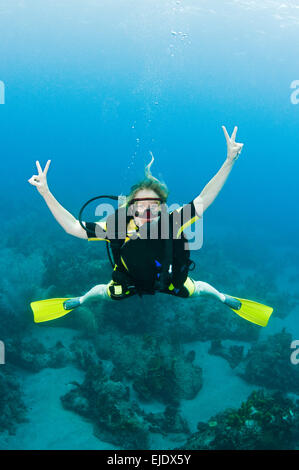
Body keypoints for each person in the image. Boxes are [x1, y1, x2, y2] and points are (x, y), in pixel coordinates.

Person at [28, 126, 273, 326]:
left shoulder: (172, 221)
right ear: (130, 207)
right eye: (140, 205)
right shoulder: (117, 227)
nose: (146, 211)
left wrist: (229, 160)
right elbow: (72, 226)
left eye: (153, 205)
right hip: (130, 282)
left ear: (162, 207)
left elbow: (202, 200)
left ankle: (222, 297)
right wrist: (45, 192)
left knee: (197, 289)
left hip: (169, 280)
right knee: (104, 293)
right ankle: (80, 300)